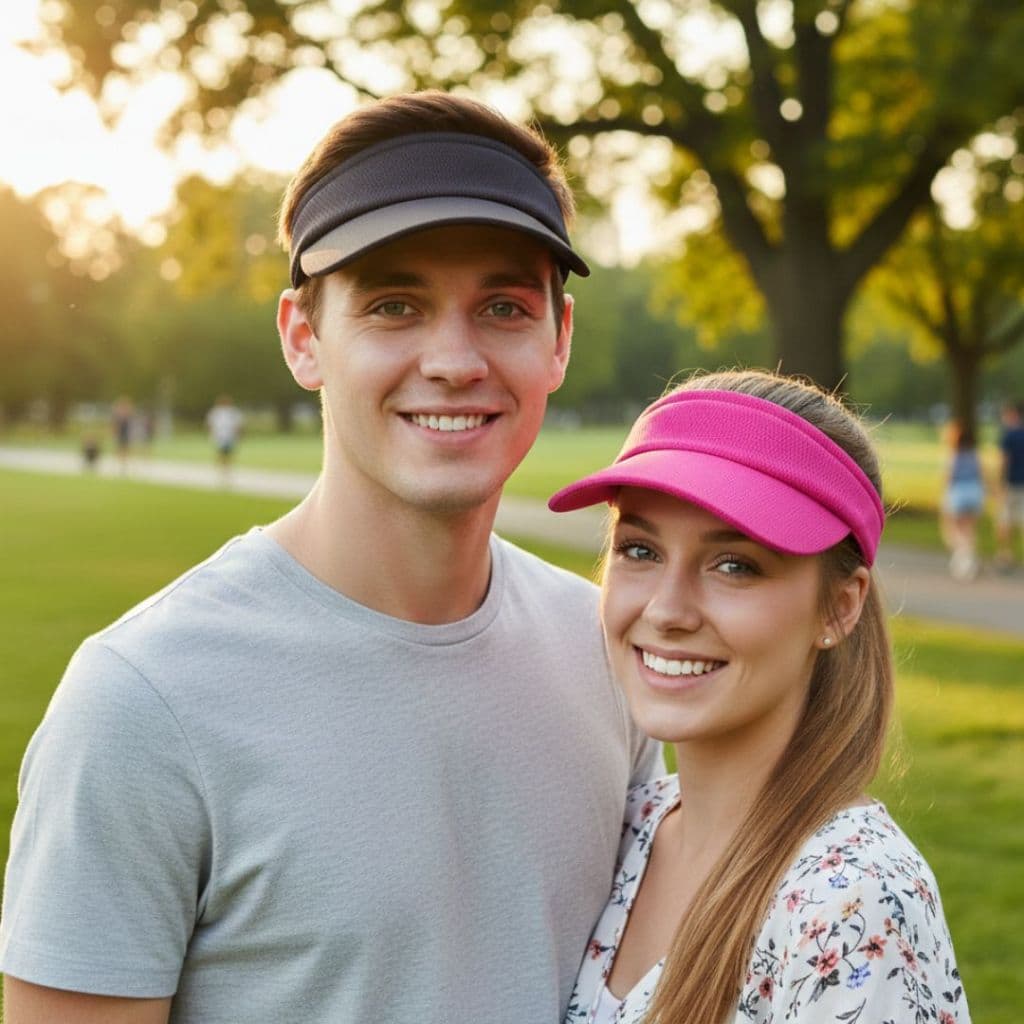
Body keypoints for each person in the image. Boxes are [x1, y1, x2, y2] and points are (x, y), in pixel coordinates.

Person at [0, 92, 662, 1024]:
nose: (454, 360)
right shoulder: (144, 702)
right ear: (303, 338)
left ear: (559, 340)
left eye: (503, 307)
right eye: (394, 306)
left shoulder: (606, 652)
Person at [549, 369, 970, 1024]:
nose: (667, 610)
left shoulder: (851, 899)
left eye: (734, 565)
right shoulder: (628, 826)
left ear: (840, 606)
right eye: (640, 550)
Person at [939, 420, 985, 581]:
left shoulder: (954, 455)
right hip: (975, 492)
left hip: (958, 493)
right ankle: (968, 558)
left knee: (954, 530)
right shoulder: (974, 455)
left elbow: (948, 477)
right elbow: (982, 475)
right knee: (969, 530)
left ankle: (963, 560)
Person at [995, 399, 1024, 571]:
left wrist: (999, 483)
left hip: (1011, 484)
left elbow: (1004, 461)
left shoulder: (1008, 436)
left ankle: (1005, 555)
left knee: (1004, 520)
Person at [205, 393, 244, 478]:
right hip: (220, 435)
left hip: (230, 436)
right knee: (221, 452)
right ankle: (221, 468)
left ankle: (227, 468)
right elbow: (210, 424)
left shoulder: (233, 412)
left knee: (229, 452)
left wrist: (238, 434)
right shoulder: (216, 412)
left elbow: (238, 424)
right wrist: (212, 434)